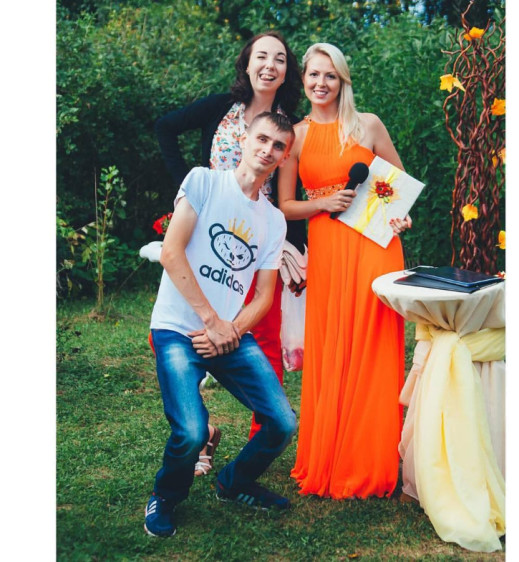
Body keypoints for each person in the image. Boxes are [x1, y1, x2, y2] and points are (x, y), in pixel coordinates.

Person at [155, 32, 306, 475]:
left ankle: (265, 431)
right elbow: (165, 127)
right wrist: (187, 185)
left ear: (287, 71)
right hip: (204, 227)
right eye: (262, 56)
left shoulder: (292, 127)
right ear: (248, 62)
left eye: (280, 59)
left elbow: (291, 189)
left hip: (259, 239)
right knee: (174, 330)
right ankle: (200, 432)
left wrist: (295, 244)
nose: (270, 65)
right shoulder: (222, 107)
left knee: (263, 334)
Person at [145, 112, 298, 538]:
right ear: (244, 139)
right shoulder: (203, 182)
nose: (267, 150)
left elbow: (264, 296)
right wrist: (212, 321)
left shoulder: (274, 220)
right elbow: (171, 252)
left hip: (229, 335)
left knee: (282, 422)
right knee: (192, 430)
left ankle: (235, 482)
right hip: (177, 328)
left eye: (278, 146)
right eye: (262, 139)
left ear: (285, 157)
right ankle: (166, 496)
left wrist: (230, 331)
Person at [277, 43, 412, 500]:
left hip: (376, 245)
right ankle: (333, 453)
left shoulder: (368, 125)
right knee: (334, 341)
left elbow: (398, 187)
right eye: (314, 74)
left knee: (372, 342)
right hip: (329, 247)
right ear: (304, 80)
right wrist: (322, 203)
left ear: (342, 81)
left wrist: (401, 216)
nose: (321, 83)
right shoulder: (295, 136)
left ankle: (371, 458)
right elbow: (285, 205)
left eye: (330, 75)